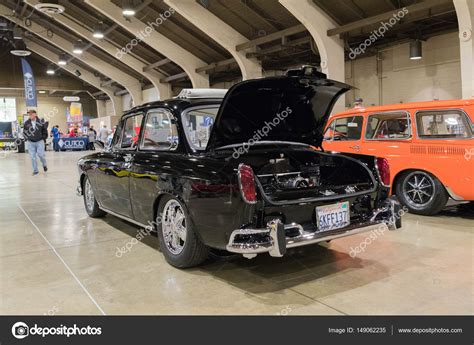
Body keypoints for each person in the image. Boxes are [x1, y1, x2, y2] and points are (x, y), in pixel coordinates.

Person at [23, 110, 48, 175]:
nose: (30, 115)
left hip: (39, 141)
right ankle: (35, 170)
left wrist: (43, 137)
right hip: (30, 142)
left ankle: (44, 164)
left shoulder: (41, 121)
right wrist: (26, 138)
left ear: (35, 114)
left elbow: (45, 130)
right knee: (32, 157)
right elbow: (24, 132)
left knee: (41, 155)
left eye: (31, 114)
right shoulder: (26, 123)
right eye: (29, 114)